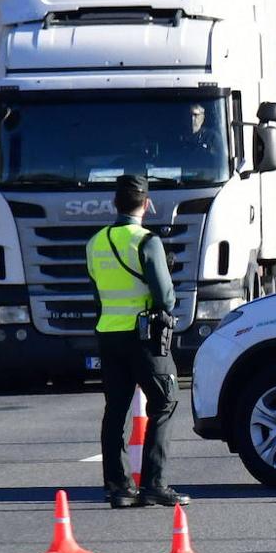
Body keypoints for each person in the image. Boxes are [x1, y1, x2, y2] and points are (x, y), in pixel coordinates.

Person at [85, 174, 189, 508]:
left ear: (115, 203)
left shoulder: (95, 242)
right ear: (147, 204)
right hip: (143, 336)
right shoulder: (147, 242)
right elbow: (166, 297)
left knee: (115, 409)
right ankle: (154, 484)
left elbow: (97, 291)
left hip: (108, 333)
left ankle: (118, 487)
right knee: (165, 401)